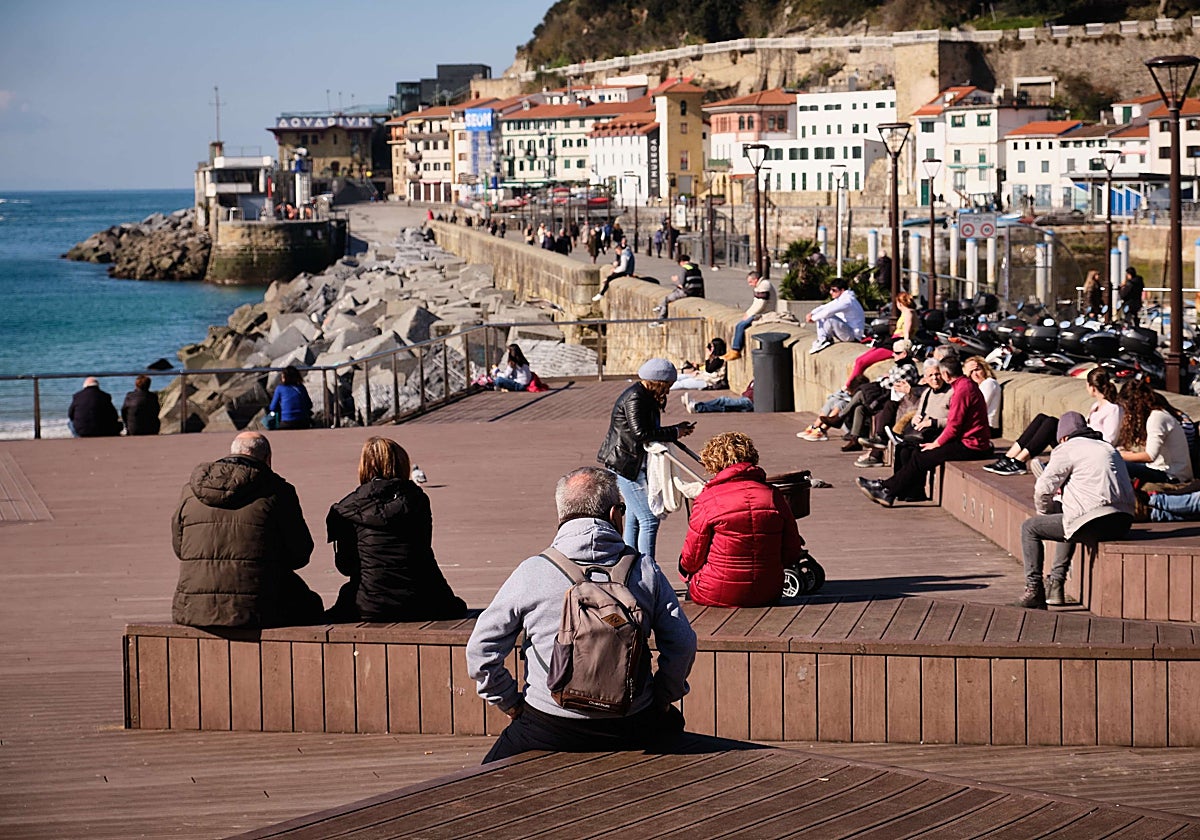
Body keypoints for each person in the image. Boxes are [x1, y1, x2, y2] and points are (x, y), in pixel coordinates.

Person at [465, 466, 696, 763]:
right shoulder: (645, 570)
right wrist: (662, 697)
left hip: (549, 722)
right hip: (632, 721)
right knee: (675, 729)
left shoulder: (533, 571)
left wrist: (511, 703)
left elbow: (481, 651)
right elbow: (682, 643)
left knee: (488, 777)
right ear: (615, 514)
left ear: (561, 515)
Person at [171, 432, 323, 628]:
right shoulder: (278, 490)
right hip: (256, 608)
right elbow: (299, 554)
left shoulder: (190, 491)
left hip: (193, 608)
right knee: (310, 606)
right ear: (268, 459)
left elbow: (180, 548)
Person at [325, 437, 467, 622]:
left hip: (370, 602)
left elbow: (346, 566)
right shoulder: (417, 500)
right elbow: (422, 547)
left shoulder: (345, 508)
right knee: (456, 606)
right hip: (424, 599)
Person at [1015, 412, 1135, 609]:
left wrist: (1045, 514)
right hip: (1123, 522)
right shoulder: (1108, 447)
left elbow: (1043, 488)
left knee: (1030, 527)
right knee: (1069, 518)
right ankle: (1056, 586)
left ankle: (1034, 590)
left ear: (1062, 437)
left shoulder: (1067, 448)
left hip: (1092, 522)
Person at [679, 433, 802, 607]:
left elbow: (691, 559)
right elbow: (792, 550)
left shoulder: (707, 499)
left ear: (714, 463)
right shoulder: (774, 495)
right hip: (769, 590)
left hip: (716, 592)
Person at [858, 353, 992, 506]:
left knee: (922, 457)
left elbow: (954, 426)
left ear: (946, 374)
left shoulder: (962, 390)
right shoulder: (964, 385)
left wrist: (936, 444)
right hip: (966, 439)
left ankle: (886, 489)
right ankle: (893, 490)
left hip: (971, 444)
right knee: (912, 450)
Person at [597, 358, 695, 560]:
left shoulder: (645, 396)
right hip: (626, 466)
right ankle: (647, 571)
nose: (668, 391)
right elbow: (641, 433)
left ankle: (629, 567)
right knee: (650, 518)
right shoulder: (635, 397)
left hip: (634, 462)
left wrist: (677, 430)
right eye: (667, 386)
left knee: (634, 518)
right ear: (658, 382)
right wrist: (675, 431)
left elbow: (647, 430)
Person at [985, 367, 1120, 476]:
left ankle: (1019, 462)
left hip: (1089, 451)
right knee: (1043, 418)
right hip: (1079, 444)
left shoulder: (1113, 409)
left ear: (1092, 387)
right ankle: (1010, 457)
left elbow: (1110, 440)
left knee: (1051, 424)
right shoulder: (1095, 406)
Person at [1116, 378, 1194, 485]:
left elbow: (1150, 456)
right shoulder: (1157, 415)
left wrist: (1120, 455)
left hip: (1172, 475)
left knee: (1116, 464)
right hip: (1160, 469)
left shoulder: (1157, 417)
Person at [722, 271, 777, 361]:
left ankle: (736, 350)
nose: (749, 284)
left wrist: (749, 314)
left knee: (740, 326)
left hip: (764, 313)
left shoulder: (764, 286)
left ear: (755, 280)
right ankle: (734, 350)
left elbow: (761, 304)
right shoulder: (760, 286)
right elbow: (756, 303)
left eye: (750, 282)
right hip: (759, 312)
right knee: (740, 325)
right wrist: (747, 313)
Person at [805, 278, 865, 354]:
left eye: (834, 290)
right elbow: (825, 307)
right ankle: (822, 339)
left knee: (827, 316)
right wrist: (811, 313)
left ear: (842, 290)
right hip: (847, 332)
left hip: (853, 335)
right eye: (831, 290)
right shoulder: (841, 299)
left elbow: (828, 312)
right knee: (821, 314)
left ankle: (823, 339)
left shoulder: (847, 301)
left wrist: (813, 319)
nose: (831, 292)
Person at [652, 254, 705, 320]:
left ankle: (660, 319)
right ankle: (660, 307)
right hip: (697, 292)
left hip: (687, 292)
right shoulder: (697, 269)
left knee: (667, 299)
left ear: (681, 262)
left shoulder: (684, 268)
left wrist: (675, 280)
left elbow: (681, 284)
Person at [963, 356, 1002, 437]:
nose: (975, 374)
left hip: (986, 427)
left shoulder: (989, 383)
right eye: (971, 372)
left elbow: (977, 408)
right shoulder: (976, 386)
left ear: (984, 369)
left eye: (977, 370)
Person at [268, 365, 313, 430]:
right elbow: (309, 405)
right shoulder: (301, 388)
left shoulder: (280, 388)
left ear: (285, 377)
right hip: (303, 421)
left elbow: (272, 407)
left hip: (287, 421)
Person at [681, 381, 755, 413]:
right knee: (724, 407)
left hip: (749, 402)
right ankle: (698, 407)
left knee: (723, 400)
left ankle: (696, 406)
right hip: (745, 398)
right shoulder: (755, 379)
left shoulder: (763, 379)